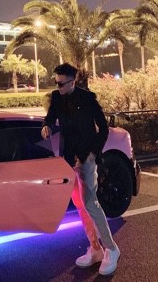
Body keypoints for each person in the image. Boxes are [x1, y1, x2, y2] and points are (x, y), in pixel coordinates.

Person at [41, 63, 120, 276]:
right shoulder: (57, 98)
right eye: (56, 83)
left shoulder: (88, 99)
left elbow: (103, 128)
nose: (58, 87)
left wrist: (94, 153)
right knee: (79, 203)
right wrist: (46, 125)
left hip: (86, 157)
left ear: (72, 81)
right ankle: (95, 248)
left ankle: (111, 249)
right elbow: (50, 117)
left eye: (61, 83)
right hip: (69, 159)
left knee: (90, 203)